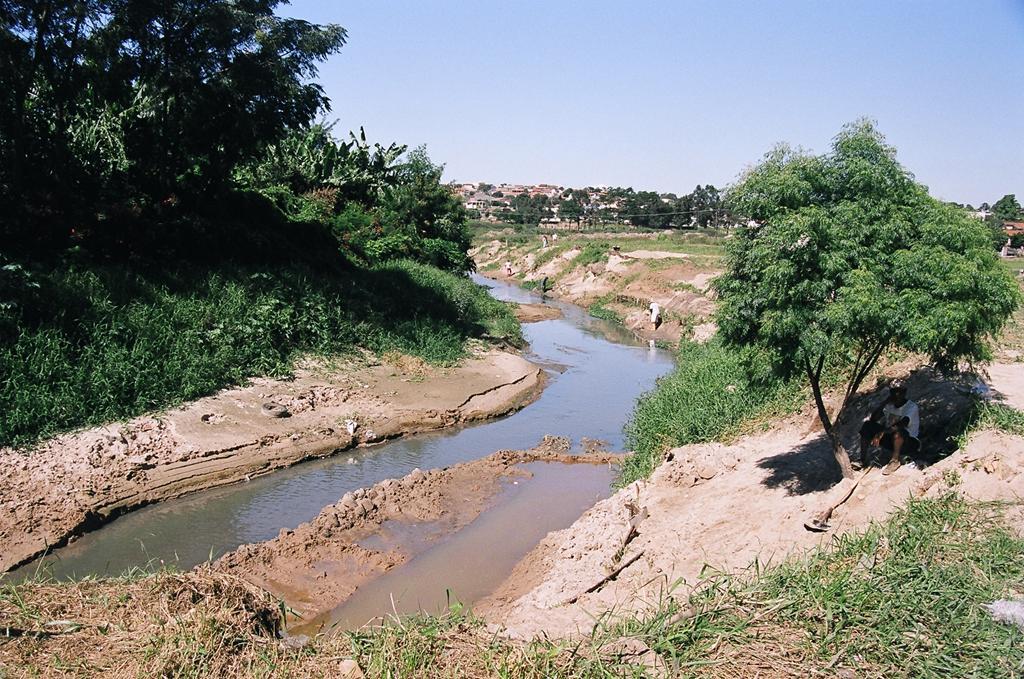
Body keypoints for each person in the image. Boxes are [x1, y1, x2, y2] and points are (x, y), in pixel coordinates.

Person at [858, 380, 920, 475]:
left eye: (899, 391)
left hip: (909, 442)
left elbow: (901, 424)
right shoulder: (889, 406)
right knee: (867, 425)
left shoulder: (911, 407)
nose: (896, 394)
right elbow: (873, 419)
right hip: (891, 439)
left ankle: (894, 461)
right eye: (893, 392)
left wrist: (881, 433)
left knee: (898, 432)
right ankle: (862, 460)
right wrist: (884, 403)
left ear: (904, 392)